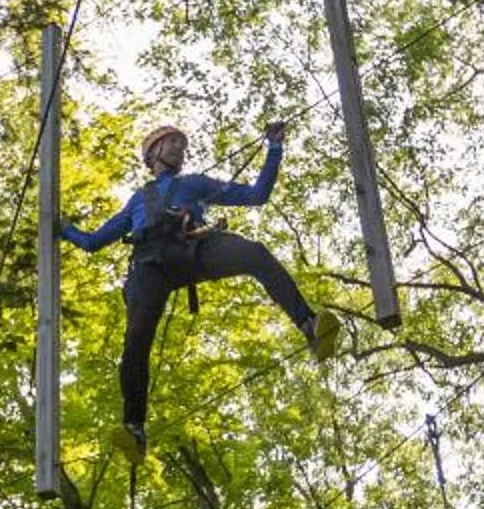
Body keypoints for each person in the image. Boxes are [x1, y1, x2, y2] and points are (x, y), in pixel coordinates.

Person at [58, 119, 341, 461]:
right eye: (172, 142)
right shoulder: (138, 200)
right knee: (135, 339)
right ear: (153, 154)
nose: (180, 147)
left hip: (191, 247)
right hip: (148, 263)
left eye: (182, 143)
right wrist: (61, 228)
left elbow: (256, 195)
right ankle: (133, 429)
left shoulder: (195, 183)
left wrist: (275, 148)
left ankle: (310, 326)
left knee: (254, 254)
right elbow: (92, 242)